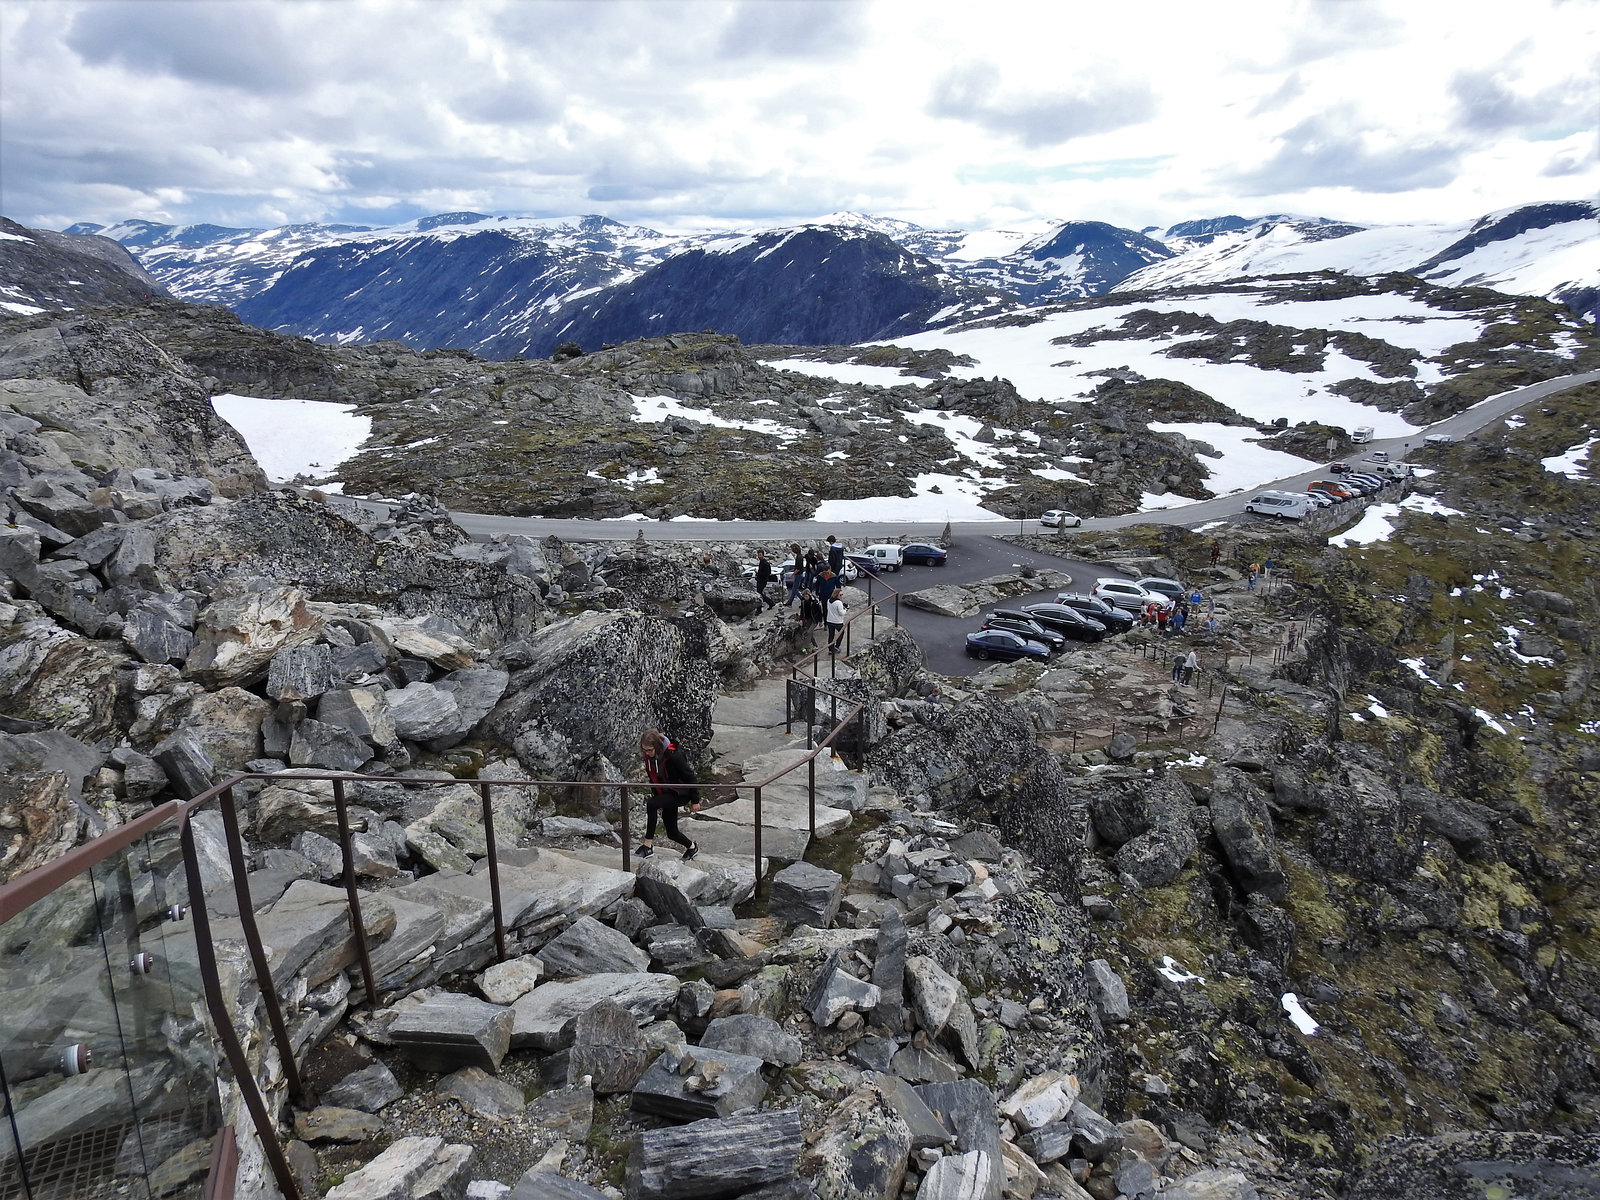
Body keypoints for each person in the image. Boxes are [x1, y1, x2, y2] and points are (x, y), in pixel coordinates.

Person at [638, 729, 698, 860]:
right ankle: (692, 847)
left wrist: (695, 801)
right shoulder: (649, 758)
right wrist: (659, 798)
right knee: (672, 833)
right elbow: (653, 778)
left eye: (649, 750)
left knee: (652, 804)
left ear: (657, 747)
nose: (647, 753)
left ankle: (648, 846)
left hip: (681, 793)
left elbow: (690, 777)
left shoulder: (674, 756)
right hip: (666, 793)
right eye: (644, 750)